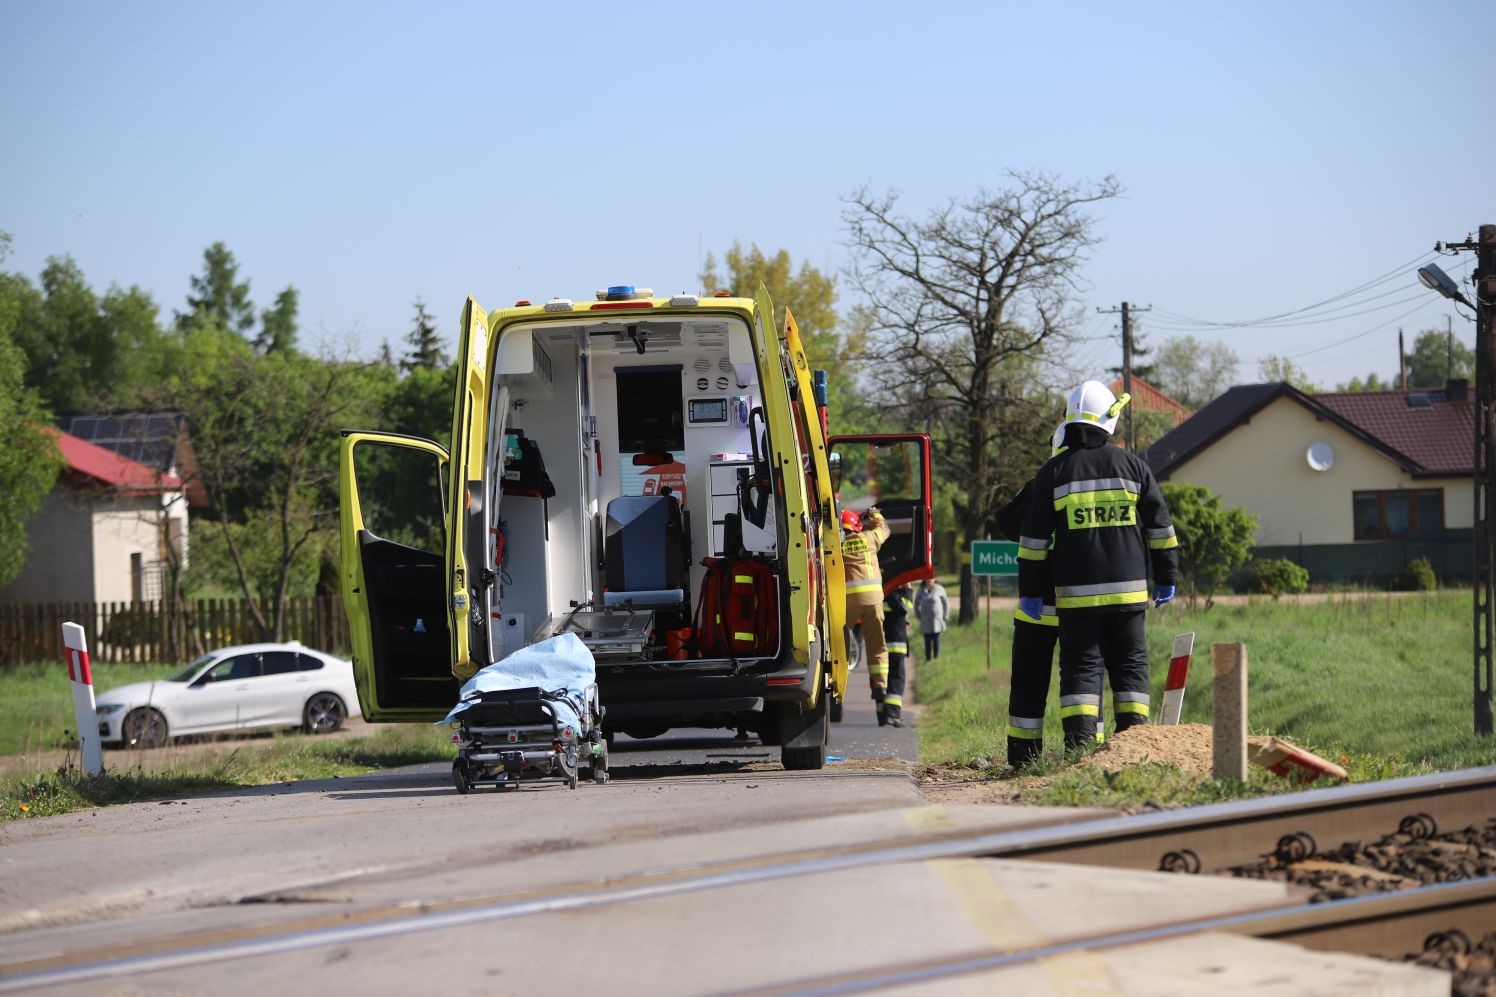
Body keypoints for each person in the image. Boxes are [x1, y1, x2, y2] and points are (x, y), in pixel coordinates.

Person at [1017, 381, 1178, 748]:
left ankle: (1081, 749)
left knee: (1081, 670)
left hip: (1076, 599)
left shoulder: (1054, 472)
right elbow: (1161, 530)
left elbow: (1033, 543)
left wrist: (1030, 590)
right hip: (1130, 595)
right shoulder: (1134, 467)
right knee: (1131, 668)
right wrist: (1166, 577)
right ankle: (1133, 748)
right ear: (1110, 419)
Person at [994, 423, 1066, 768]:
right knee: (1082, 681)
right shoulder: (1088, 487)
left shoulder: (1040, 484)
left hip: (1035, 608)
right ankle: (1083, 753)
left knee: (1028, 685)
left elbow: (1006, 523)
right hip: (1077, 607)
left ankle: (1024, 759)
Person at [841, 507, 891, 707]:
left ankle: (836, 685)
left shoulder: (836, 543)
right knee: (877, 643)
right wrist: (875, 514)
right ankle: (880, 686)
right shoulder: (869, 538)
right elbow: (885, 529)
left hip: (847, 602)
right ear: (856, 526)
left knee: (839, 646)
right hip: (873, 600)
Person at [879, 583, 915, 727]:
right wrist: (908, 589)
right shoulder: (894, 595)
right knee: (896, 677)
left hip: (882, 644)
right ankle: (893, 713)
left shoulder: (882, 593)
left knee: (882, 678)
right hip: (895, 643)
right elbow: (906, 607)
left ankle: (882, 714)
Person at [913, 578, 949, 662]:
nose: (929, 580)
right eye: (927, 578)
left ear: (935, 579)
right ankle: (928, 659)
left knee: (936, 639)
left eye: (931, 578)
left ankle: (936, 658)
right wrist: (919, 616)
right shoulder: (921, 590)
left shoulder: (939, 589)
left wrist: (945, 616)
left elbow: (945, 602)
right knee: (927, 640)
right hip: (925, 620)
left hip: (937, 619)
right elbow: (916, 603)